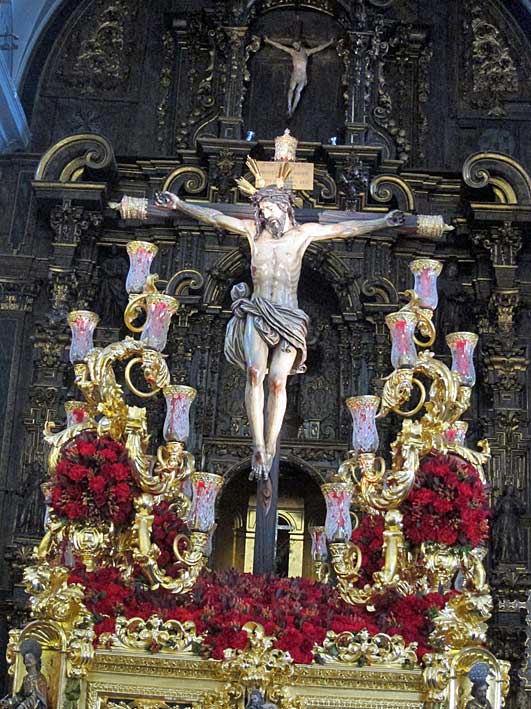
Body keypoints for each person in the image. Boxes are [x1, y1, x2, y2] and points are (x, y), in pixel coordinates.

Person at [154, 185, 404, 479]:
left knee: (276, 380)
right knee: (254, 373)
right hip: (258, 311)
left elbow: (344, 229)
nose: (264, 215)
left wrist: (383, 221)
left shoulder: (302, 235)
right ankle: (258, 445)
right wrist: (180, 205)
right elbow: (216, 218)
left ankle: (271, 445)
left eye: (268, 209)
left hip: (289, 316)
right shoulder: (252, 233)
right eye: (261, 211)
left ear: (284, 206)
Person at [264, 37, 333, 116]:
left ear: (299, 43)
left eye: (296, 44)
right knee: (291, 90)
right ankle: (289, 108)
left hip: (302, 76)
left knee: (298, 91)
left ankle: (293, 109)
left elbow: (318, 48)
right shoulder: (292, 52)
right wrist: (269, 41)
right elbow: (281, 46)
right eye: (294, 45)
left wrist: (329, 43)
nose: (295, 47)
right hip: (295, 75)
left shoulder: (306, 52)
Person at [0, 638, 48, 708]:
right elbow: (21, 696)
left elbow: (38, 700)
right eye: (26, 658)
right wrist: (10, 702)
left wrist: (23, 706)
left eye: (30, 658)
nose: (27, 660)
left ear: (36, 660)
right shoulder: (26, 678)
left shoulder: (40, 679)